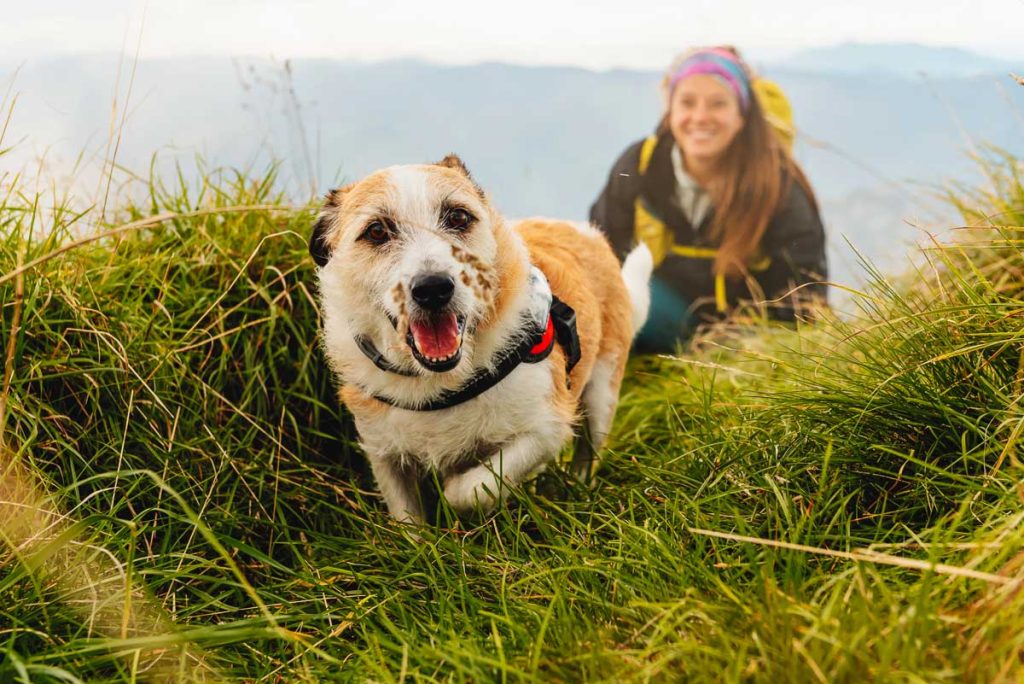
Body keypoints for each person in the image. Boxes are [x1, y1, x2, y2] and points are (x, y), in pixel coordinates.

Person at [590, 46, 827, 353]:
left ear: (742, 115)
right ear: (670, 110)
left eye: (718, 104)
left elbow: (803, 297)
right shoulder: (640, 166)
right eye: (687, 103)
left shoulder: (778, 188)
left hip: (750, 340)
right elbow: (601, 256)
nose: (700, 117)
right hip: (663, 320)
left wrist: (754, 354)